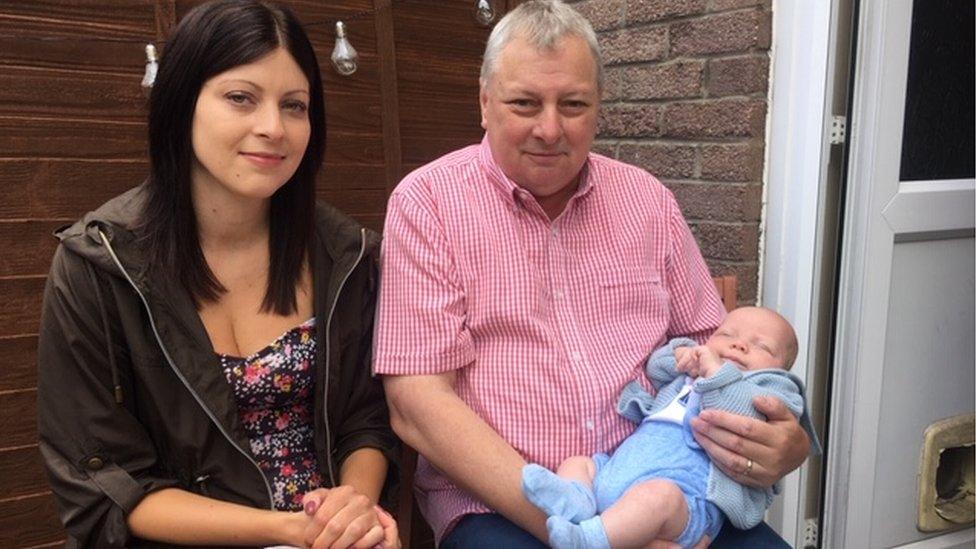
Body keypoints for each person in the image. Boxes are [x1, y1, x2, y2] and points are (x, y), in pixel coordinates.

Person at [374, 1, 812, 547]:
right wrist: (583, 534)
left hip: (661, 487)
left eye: (574, 104)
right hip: (502, 505)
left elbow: (712, 348)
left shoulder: (647, 201)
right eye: (525, 103)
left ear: (599, 107)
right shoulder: (429, 204)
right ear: (485, 103)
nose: (550, 128)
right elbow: (418, 404)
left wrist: (781, 447)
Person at [36, 1, 398, 547]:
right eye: (240, 98)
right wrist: (287, 531)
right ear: (182, 104)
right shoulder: (98, 264)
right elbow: (107, 482)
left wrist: (353, 510)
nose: (273, 128)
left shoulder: (344, 254)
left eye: (294, 105)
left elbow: (365, 420)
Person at [522, 307, 821, 548]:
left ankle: (589, 540)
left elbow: (743, 412)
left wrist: (716, 371)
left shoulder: (772, 386)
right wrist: (682, 354)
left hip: (683, 499)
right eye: (727, 333)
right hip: (619, 469)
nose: (738, 343)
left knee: (658, 497)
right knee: (579, 463)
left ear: (781, 369)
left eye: (761, 346)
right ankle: (577, 500)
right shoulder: (694, 370)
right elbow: (657, 367)